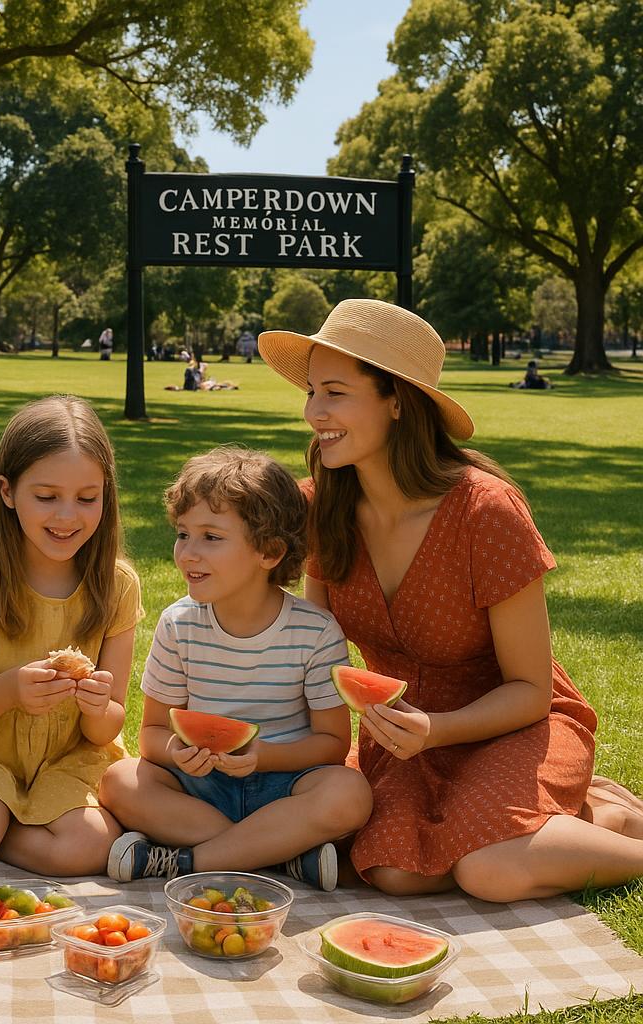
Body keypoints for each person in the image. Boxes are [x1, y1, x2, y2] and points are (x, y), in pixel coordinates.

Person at [257, 298, 643, 901]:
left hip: (514, 724)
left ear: (397, 402)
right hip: (403, 736)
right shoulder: (320, 507)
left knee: (489, 869)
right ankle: (588, 814)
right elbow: (313, 648)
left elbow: (531, 690)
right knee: (396, 873)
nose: (313, 412)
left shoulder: (485, 511)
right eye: (311, 392)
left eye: (335, 393)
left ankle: (609, 828)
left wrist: (437, 728)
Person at [100, 447, 372, 888]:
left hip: (284, 786)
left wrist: (263, 756)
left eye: (211, 537)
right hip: (200, 788)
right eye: (183, 534)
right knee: (118, 781)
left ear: (270, 552)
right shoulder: (178, 623)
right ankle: (277, 854)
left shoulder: (316, 631)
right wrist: (175, 752)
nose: (188, 553)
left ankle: (185, 861)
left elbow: (333, 744)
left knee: (349, 794)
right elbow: (151, 733)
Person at [0, 396, 143, 876]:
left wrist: (98, 706)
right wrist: (11, 689)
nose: (67, 516)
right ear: (8, 491)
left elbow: (107, 726)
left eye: (87, 498)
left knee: (86, 847)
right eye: (47, 496)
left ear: (107, 495)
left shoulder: (117, 584)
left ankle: (8, 827)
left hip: (66, 758)